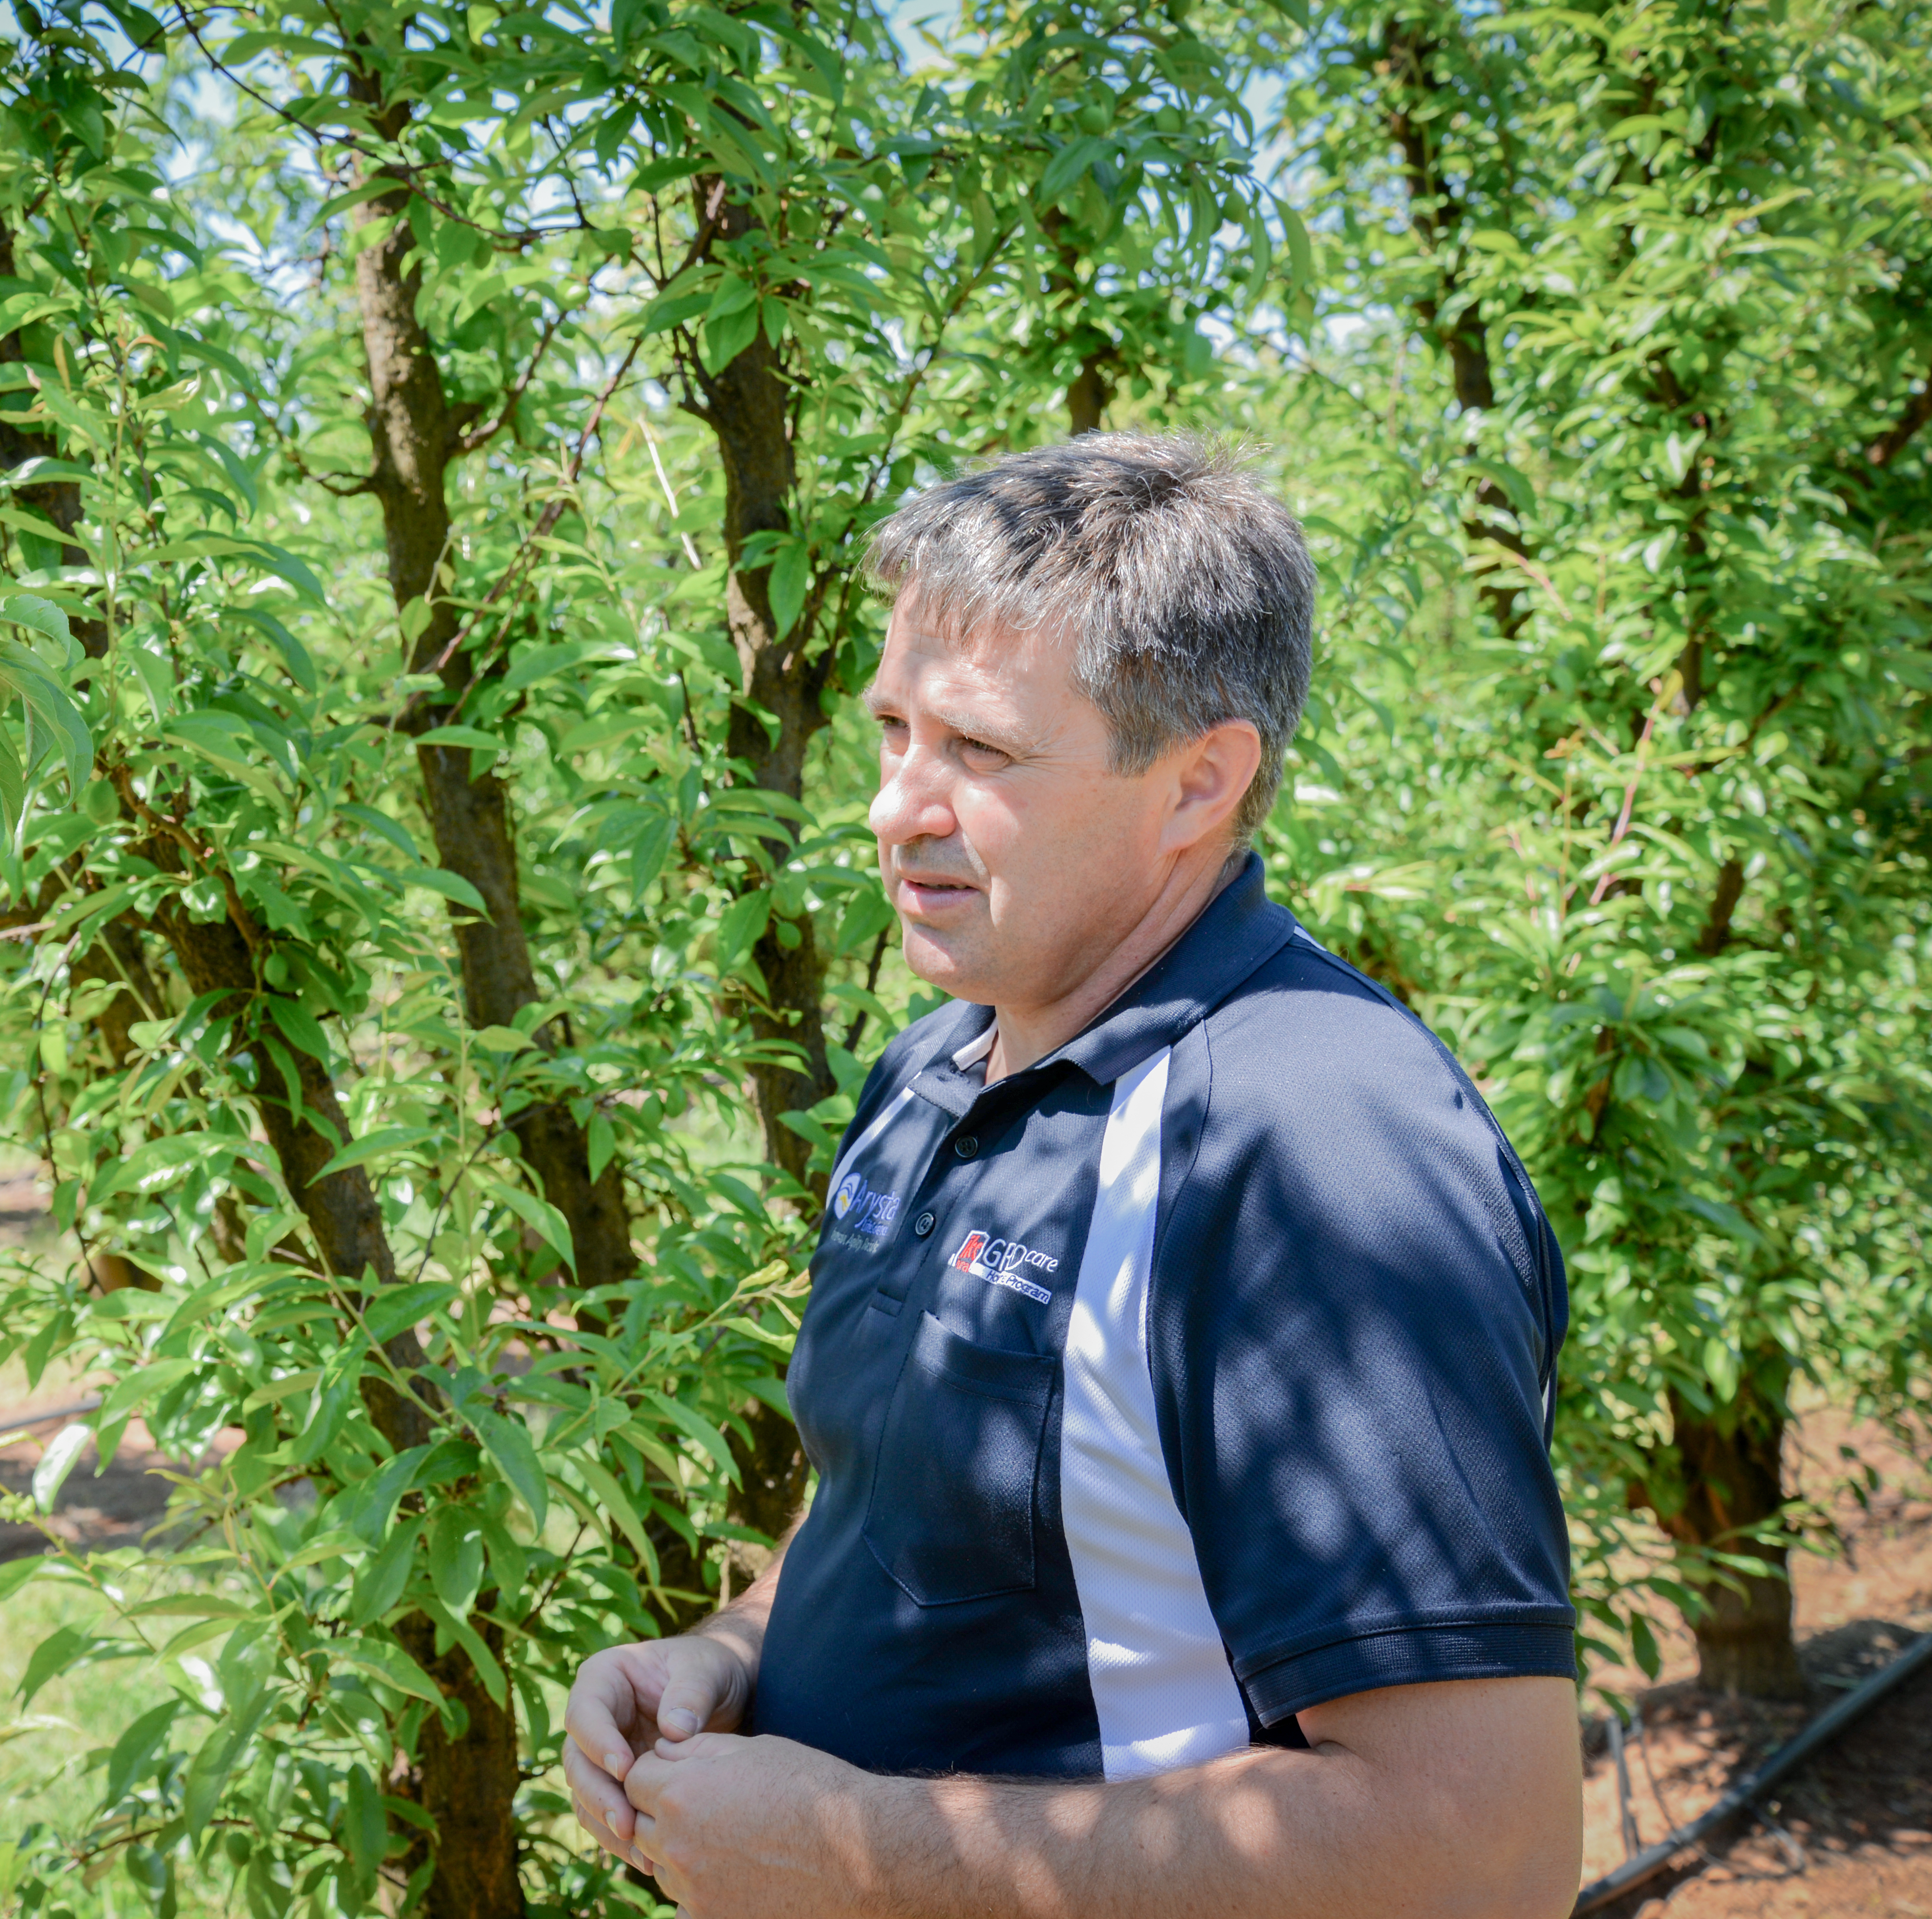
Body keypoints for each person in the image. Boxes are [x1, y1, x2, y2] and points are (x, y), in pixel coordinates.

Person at [562, 435, 1583, 1919]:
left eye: (978, 752)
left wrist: (859, 1858)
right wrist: (730, 1655)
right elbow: (910, 1505)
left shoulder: (1313, 1145)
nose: (896, 807)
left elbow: (1481, 1854)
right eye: (893, 730)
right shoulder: (932, 1073)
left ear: (1198, 785)